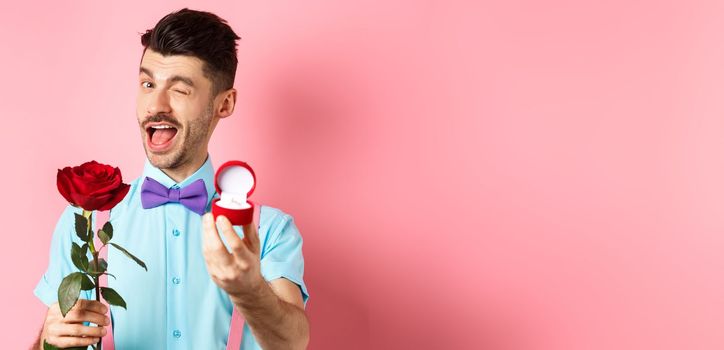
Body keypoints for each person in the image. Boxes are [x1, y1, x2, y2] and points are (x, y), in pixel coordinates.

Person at [32, 8, 310, 350]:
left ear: (224, 104)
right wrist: (50, 340)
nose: (156, 105)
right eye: (148, 84)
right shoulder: (87, 220)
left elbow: (292, 342)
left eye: (180, 90)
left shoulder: (268, 231)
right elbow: (56, 340)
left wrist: (248, 288)